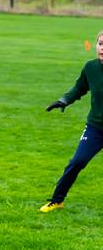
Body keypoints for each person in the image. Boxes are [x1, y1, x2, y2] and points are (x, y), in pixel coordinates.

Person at [41, 30, 103, 212]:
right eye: (100, 43)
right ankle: (57, 200)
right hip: (96, 128)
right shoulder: (91, 68)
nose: (102, 48)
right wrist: (64, 100)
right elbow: (79, 88)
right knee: (77, 162)